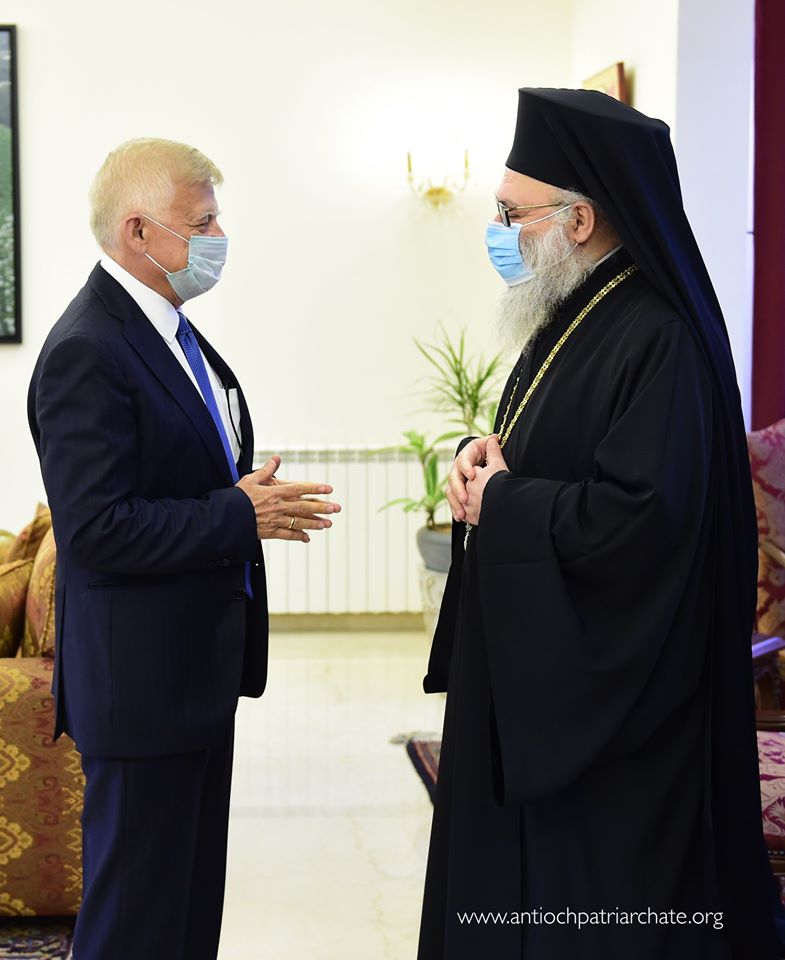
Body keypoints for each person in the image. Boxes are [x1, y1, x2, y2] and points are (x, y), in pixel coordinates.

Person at [417, 89, 785, 959]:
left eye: (512, 213)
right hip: (534, 675)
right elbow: (545, 449)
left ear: (578, 220)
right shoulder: (574, 313)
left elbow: (641, 520)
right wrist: (479, 458)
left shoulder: (658, 338)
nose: (500, 232)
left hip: (618, 719)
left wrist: (502, 502)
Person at [27, 138, 340, 960]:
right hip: (140, 687)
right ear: (138, 231)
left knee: (186, 914)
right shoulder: (88, 347)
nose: (218, 239)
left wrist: (242, 502)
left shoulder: (164, 331)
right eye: (201, 224)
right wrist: (238, 514)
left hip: (190, 675)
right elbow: (98, 529)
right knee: (134, 924)